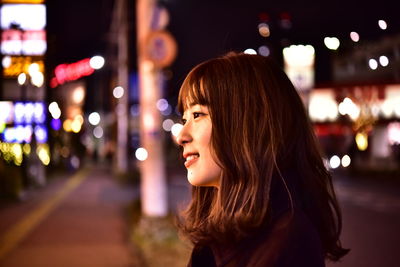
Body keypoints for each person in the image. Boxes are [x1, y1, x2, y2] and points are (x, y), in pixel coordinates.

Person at [176, 52, 349, 267]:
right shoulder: (219, 238)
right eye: (184, 118)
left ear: (248, 125)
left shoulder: (289, 243)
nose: (181, 136)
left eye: (197, 115)